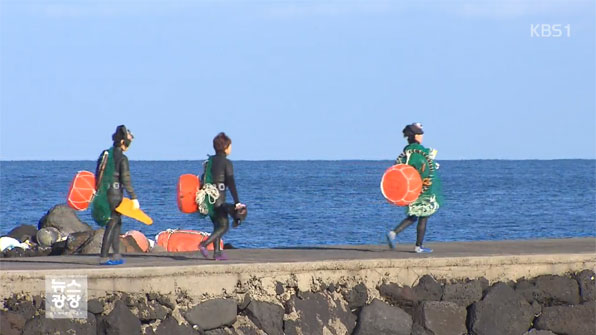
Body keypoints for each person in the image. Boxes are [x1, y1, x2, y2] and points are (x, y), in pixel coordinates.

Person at [386, 123, 443, 253]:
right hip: (421, 188)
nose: (422, 137)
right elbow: (423, 168)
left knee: (413, 215)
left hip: (410, 188)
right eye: (420, 134)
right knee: (424, 216)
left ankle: (393, 233)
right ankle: (418, 246)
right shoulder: (420, 151)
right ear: (416, 136)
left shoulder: (406, 151)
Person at [198, 132, 246, 261]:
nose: (231, 148)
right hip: (218, 196)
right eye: (230, 146)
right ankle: (204, 244)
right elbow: (231, 182)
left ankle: (217, 253)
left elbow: (203, 178)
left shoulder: (210, 161)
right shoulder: (227, 162)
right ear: (226, 147)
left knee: (217, 225)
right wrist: (237, 202)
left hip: (208, 197)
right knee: (224, 226)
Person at [97, 125, 140, 265]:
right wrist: (133, 197)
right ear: (123, 142)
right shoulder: (122, 158)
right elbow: (126, 179)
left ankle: (116, 254)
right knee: (113, 221)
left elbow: (98, 173)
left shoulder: (105, 154)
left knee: (117, 222)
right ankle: (103, 255)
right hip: (116, 193)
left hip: (104, 192)